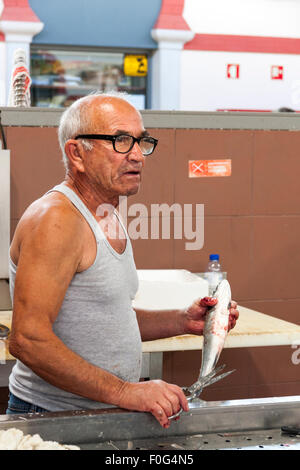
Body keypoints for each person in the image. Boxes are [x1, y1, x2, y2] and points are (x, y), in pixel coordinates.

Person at [7, 92, 239, 428]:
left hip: (99, 413)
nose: (137, 156)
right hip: (53, 419)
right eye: (120, 141)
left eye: (140, 141)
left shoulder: (106, 214)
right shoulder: (56, 220)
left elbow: (105, 320)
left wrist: (180, 321)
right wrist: (126, 391)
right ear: (77, 153)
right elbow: (27, 340)